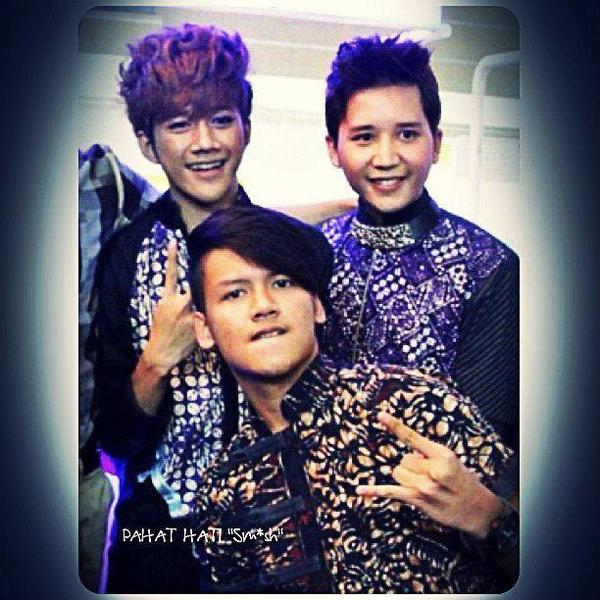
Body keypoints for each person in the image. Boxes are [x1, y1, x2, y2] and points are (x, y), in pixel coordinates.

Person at [188, 205, 514, 593]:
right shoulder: (222, 489)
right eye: (235, 293)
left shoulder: (411, 404)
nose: (263, 306)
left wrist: (486, 517)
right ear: (204, 329)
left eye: (282, 283)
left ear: (317, 305)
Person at [318, 35, 519, 544]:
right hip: (320, 523)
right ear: (334, 149)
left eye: (407, 134)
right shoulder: (312, 255)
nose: (386, 156)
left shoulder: (488, 265)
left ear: (437, 142)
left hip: (439, 534)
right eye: (364, 137)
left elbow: (486, 440)